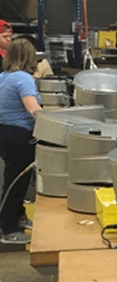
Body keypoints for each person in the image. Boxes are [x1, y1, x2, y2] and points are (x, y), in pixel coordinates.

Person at [0, 39, 42, 244]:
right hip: (18, 134)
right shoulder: (23, 78)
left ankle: (18, 216)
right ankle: (8, 228)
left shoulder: (3, 77)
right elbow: (33, 109)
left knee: (17, 178)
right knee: (16, 182)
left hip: (5, 131)